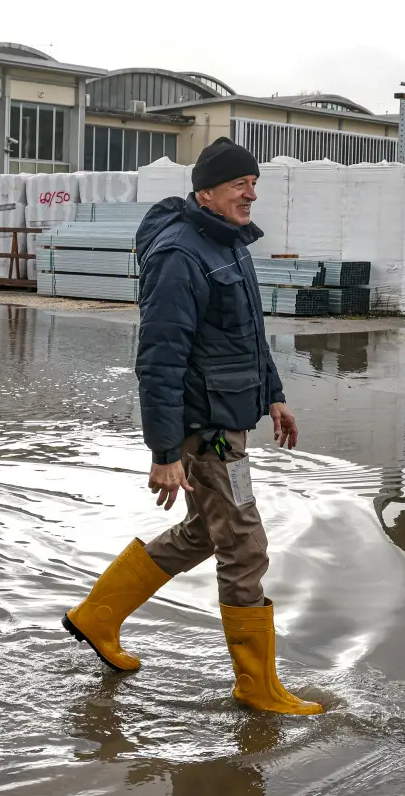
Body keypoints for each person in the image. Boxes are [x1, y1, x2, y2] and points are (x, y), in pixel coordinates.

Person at [62, 137, 323, 716]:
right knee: (245, 544)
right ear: (205, 193)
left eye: (253, 182)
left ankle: (96, 616)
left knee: (205, 532)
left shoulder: (228, 244)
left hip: (229, 414)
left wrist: (274, 396)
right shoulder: (180, 255)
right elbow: (159, 358)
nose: (250, 192)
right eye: (238, 184)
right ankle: (256, 685)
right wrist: (164, 451)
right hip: (204, 428)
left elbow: (248, 334)